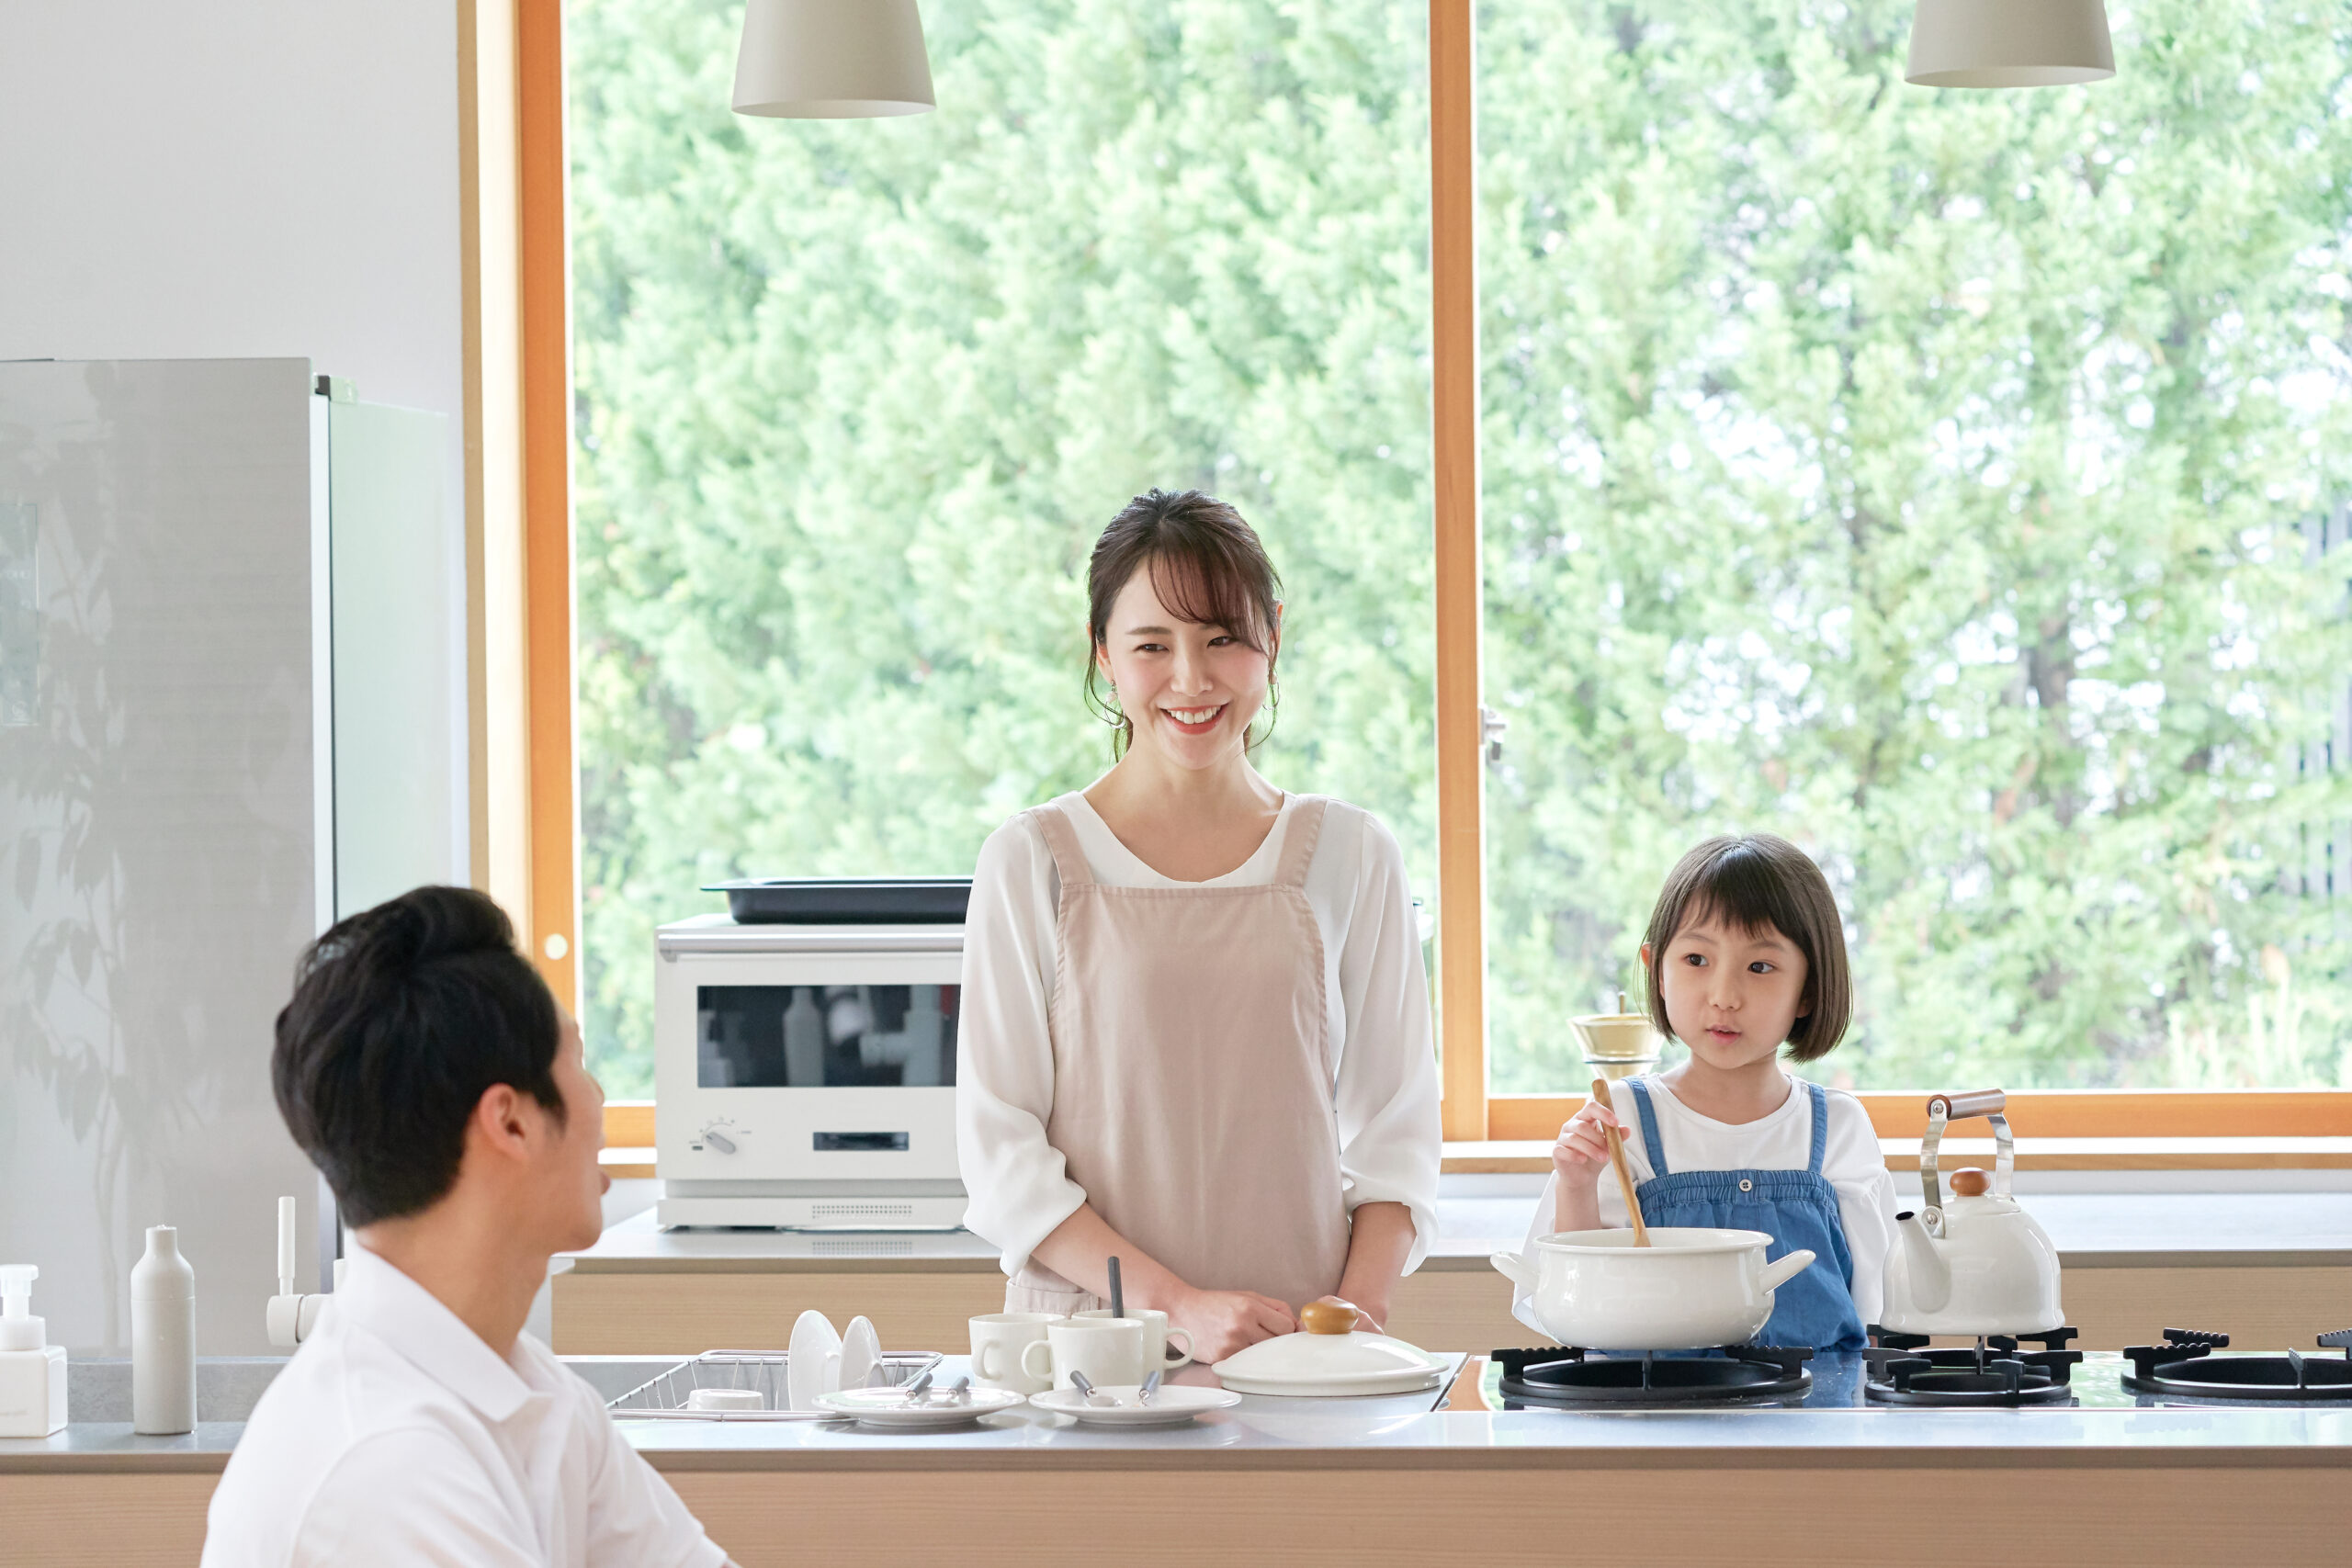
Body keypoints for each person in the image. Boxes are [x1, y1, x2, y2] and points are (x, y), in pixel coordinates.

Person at [957, 488, 1442, 1362]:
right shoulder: (1032, 861)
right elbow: (1001, 1155)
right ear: (1104, 655)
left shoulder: (1351, 852)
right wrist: (1178, 1307)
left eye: (1223, 637)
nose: (1191, 678)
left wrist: (1349, 1326)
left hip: (1297, 1349)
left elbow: (1396, 1135)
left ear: (1274, 637)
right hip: (1085, 1357)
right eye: (1153, 646)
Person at [202, 886, 729, 1568]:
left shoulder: (532, 1389)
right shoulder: (385, 1466)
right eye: (578, 1061)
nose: (599, 1099)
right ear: (510, 1121)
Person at [1512, 835, 1896, 1350]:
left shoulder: (1840, 1127)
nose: (1723, 997)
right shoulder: (1621, 1115)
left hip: (1817, 1419)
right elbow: (1575, 1302)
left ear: (1808, 990)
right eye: (1696, 959)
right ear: (1658, 971)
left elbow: (1884, 1307)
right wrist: (1576, 1184)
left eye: (1760, 967)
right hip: (1651, 1421)